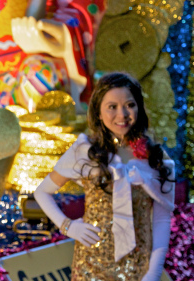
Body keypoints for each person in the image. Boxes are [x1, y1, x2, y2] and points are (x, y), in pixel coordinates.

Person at [34, 72, 175, 281]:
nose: (122, 114)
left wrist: (153, 273)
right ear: (98, 112)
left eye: (130, 105)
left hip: (138, 267)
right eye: (112, 107)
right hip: (91, 265)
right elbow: (42, 192)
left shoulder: (156, 158)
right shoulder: (84, 150)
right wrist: (67, 226)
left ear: (139, 108)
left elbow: (162, 220)